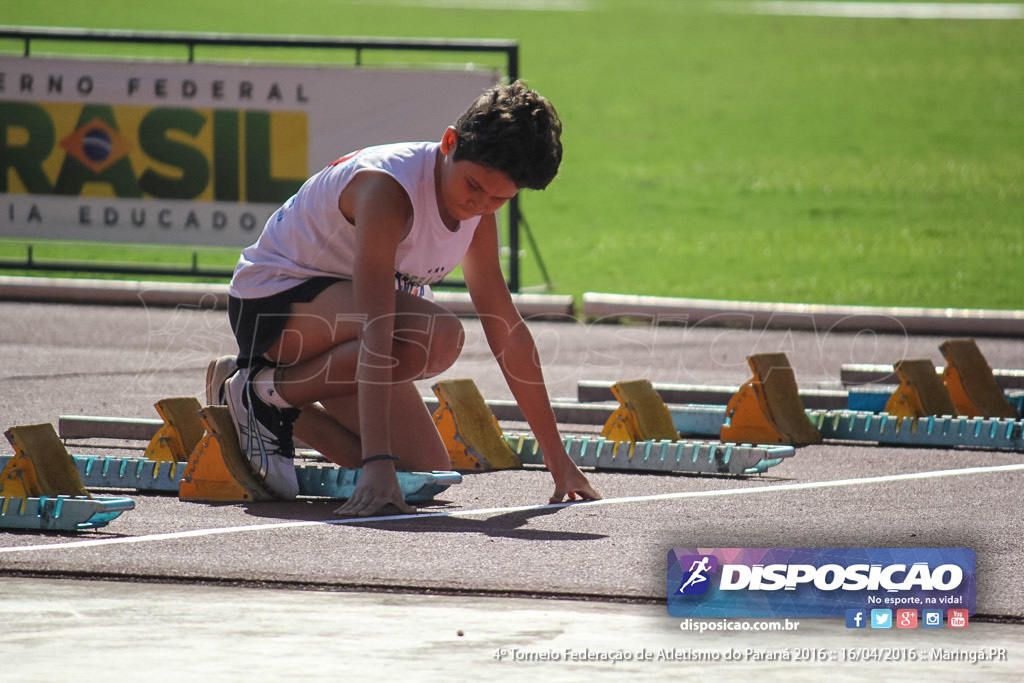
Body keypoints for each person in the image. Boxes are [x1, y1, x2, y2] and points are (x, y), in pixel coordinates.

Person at [208, 80, 601, 517]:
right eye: (474, 186)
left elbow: (506, 331)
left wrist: (556, 457)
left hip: (341, 337)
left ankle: (256, 392)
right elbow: (378, 328)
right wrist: (377, 462)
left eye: (498, 199)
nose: (480, 205)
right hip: (272, 306)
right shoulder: (387, 190)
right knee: (438, 336)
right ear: (449, 142)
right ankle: (267, 396)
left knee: (424, 472)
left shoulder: (479, 209)